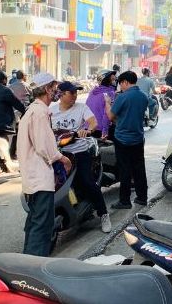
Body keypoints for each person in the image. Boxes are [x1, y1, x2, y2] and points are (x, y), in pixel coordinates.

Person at [17, 72, 72, 257]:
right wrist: (62, 158)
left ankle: (27, 260)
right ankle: (34, 264)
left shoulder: (33, 111)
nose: (57, 91)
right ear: (47, 89)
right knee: (42, 225)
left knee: (35, 222)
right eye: (54, 87)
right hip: (39, 176)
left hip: (32, 176)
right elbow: (44, 147)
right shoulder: (39, 113)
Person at [50, 81, 111, 233]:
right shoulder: (50, 111)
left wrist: (87, 130)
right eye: (72, 93)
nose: (75, 96)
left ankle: (103, 214)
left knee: (87, 182)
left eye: (76, 93)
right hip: (58, 153)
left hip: (79, 152)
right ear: (61, 94)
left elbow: (93, 122)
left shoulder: (81, 107)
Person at [108, 71, 149, 209]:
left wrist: (107, 103)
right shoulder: (143, 96)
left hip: (122, 139)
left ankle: (125, 201)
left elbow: (111, 116)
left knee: (125, 170)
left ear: (125, 82)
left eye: (121, 84)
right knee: (139, 168)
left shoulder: (123, 97)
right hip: (138, 138)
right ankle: (142, 198)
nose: (120, 87)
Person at [86, 70, 116, 139]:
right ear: (106, 79)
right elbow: (107, 115)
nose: (114, 80)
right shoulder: (109, 93)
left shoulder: (92, 92)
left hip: (89, 127)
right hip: (101, 130)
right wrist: (105, 132)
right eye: (112, 78)